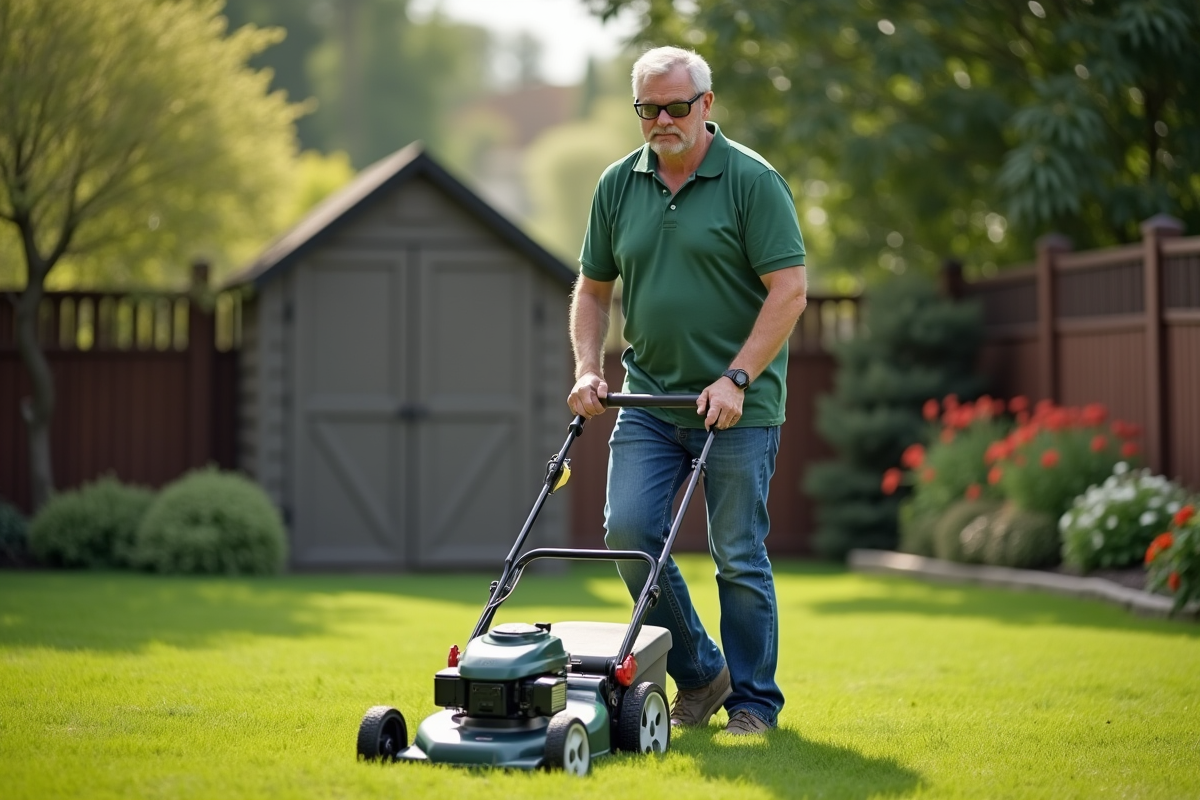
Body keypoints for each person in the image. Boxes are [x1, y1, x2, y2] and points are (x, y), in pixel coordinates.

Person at [567, 46, 807, 736]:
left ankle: (755, 705)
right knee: (628, 533)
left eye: (676, 106)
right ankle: (701, 671)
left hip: (739, 406)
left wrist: (736, 376)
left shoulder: (751, 181)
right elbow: (592, 290)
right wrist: (589, 367)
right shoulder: (619, 184)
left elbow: (789, 292)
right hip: (647, 401)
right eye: (649, 108)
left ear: (707, 105)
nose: (663, 120)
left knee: (737, 554)